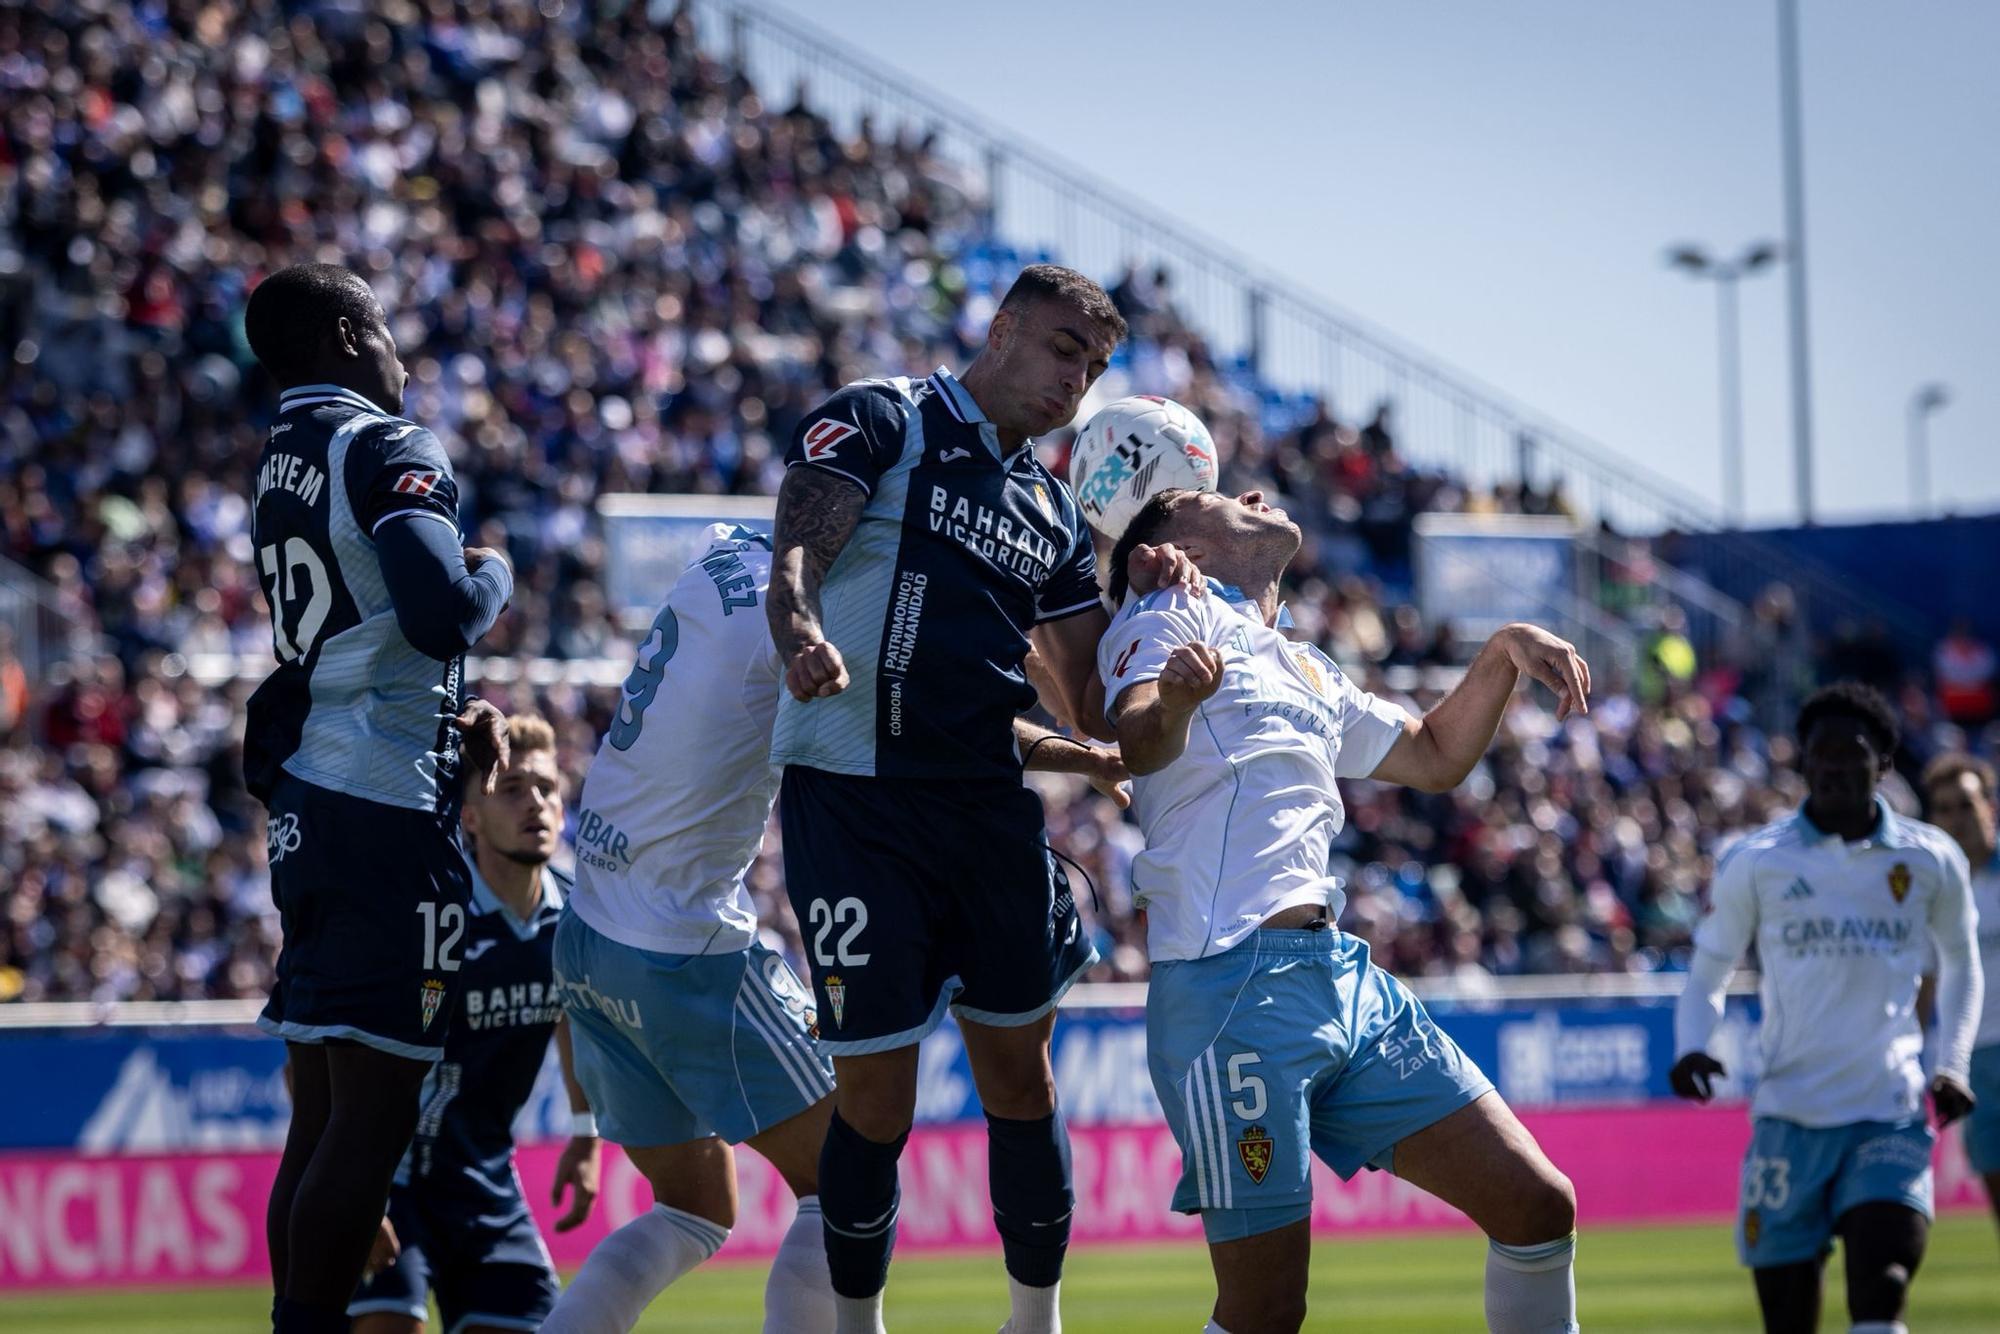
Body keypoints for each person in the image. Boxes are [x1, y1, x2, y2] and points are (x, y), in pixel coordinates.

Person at [547, 523, 1139, 1333]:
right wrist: (1084, 754)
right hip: (680, 944)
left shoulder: (725, 546)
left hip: (586, 935)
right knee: (849, 1170)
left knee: (693, 1208)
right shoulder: (810, 614)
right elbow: (934, 717)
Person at [1097, 486, 1587, 1334]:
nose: (1250, 493)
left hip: (1343, 980)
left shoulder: (1302, 662)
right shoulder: (1167, 610)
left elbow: (1434, 757)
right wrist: (1174, 701)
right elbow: (1137, 740)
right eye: (1214, 494)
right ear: (1184, 545)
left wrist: (1503, 651)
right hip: (1230, 994)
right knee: (1264, 1314)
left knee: (1538, 1206)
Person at [765, 263, 1133, 1334]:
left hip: (985, 814)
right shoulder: (888, 417)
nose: (1076, 379)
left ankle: (1034, 1320)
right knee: (875, 1099)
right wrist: (797, 629)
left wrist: (1156, 593)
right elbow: (795, 546)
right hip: (853, 806)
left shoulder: (1054, 511)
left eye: (1095, 366)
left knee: (1020, 1080)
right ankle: (856, 1324)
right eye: (1065, 348)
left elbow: (1098, 700)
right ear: (1004, 327)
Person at [242, 263, 515, 1334]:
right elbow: (442, 610)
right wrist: (493, 567)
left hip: (311, 797)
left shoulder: (278, 461)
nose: (403, 355)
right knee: (372, 1115)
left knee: (316, 1114)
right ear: (351, 334)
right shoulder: (383, 441)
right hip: (384, 804)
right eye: (389, 331)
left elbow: (362, 626)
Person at [1672, 683, 1981, 1334]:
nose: (1837, 767)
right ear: (1803, 765)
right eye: (1823, 755)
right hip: (1791, 1117)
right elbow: (1709, 965)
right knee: (1789, 1318)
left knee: (1884, 1284)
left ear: (1885, 764)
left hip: (1888, 1112)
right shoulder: (1757, 861)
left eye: (1854, 753)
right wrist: (1692, 1044)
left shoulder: (1929, 859)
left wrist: (1950, 1063)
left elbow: (1960, 963)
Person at [346, 714, 600, 1333]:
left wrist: (585, 1133)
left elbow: (573, 1016)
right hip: (391, 1180)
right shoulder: (432, 919)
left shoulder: (577, 919)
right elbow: (330, 1055)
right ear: (470, 818)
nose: (535, 803)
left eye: (546, 788)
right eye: (511, 789)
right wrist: (353, 1193)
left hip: (484, 1179)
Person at [1920, 753, 2000, 1242]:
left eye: (1966, 805)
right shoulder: (1934, 894)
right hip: (1974, 1066)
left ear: (1989, 807)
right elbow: (1924, 989)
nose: (1957, 818)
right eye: (1945, 809)